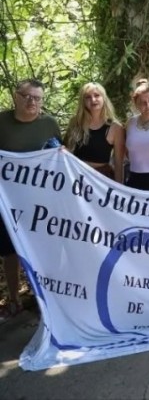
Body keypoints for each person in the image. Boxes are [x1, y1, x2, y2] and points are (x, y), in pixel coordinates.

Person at [0, 79, 61, 321]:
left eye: (37, 98)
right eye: (27, 96)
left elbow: (58, 153)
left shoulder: (49, 124)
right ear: (16, 96)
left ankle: (42, 297)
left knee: (41, 249)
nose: (32, 102)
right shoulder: (2, 122)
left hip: (40, 202)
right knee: (10, 253)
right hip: (6, 201)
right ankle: (14, 299)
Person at [64, 82, 126, 182]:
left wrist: (119, 189)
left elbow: (118, 163)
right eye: (88, 97)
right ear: (83, 101)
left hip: (100, 180)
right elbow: (66, 150)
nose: (93, 100)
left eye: (97, 95)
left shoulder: (115, 128)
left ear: (104, 98)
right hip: (75, 175)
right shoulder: (75, 122)